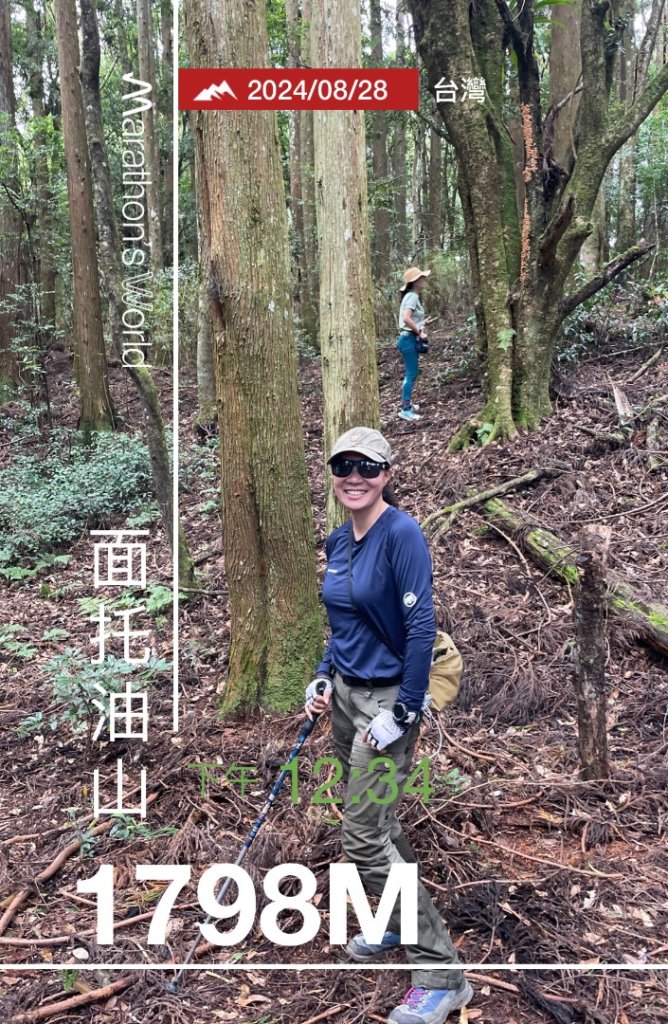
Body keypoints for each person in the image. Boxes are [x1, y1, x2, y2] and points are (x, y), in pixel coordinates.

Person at [305, 427, 473, 1024]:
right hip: (348, 699)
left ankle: (442, 975)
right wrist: (324, 677)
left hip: (386, 703)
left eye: (367, 467)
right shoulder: (338, 539)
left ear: (386, 474)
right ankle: (395, 922)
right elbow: (342, 623)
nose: (354, 476)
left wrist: (402, 711)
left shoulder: (401, 533)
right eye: (343, 465)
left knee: (361, 837)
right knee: (381, 823)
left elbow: (421, 628)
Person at [397, 268, 430, 423]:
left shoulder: (412, 296)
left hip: (408, 338)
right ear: (415, 282)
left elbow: (411, 319)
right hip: (408, 340)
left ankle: (407, 404)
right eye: (421, 278)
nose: (424, 280)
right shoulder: (412, 297)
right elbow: (406, 318)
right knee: (411, 374)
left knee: (413, 373)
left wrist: (422, 324)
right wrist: (420, 332)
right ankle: (405, 409)